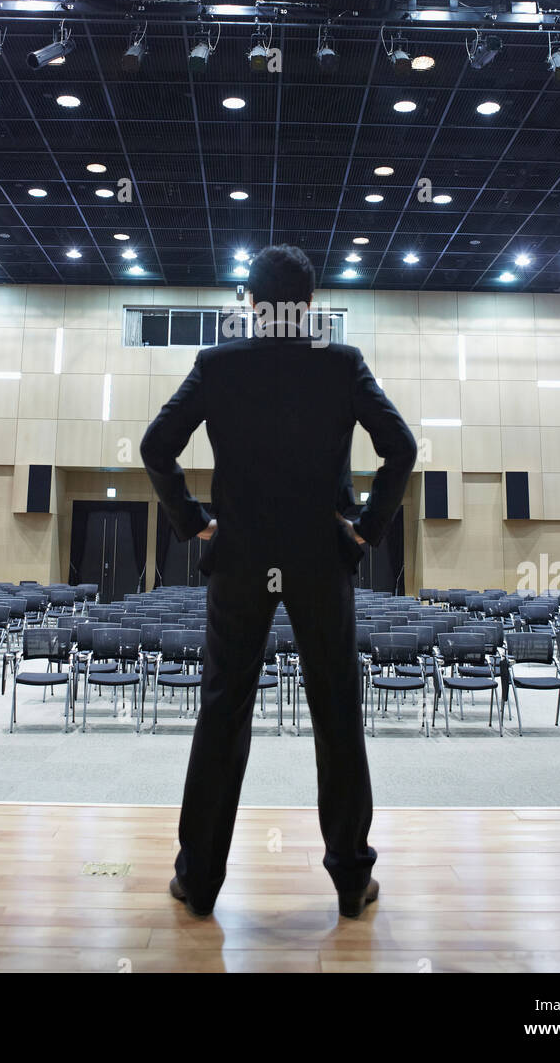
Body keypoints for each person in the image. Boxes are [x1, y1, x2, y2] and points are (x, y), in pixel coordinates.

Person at [140, 245, 417, 918]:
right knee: (336, 713)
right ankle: (353, 881)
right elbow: (401, 447)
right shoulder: (342, 364)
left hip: (239, 556)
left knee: (223, 712)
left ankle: (198, 881)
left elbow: (155, 446)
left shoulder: (218, 364)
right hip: (322, 556)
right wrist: (367, 528)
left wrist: (196, 522)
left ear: (253, 305)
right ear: (311, 304)